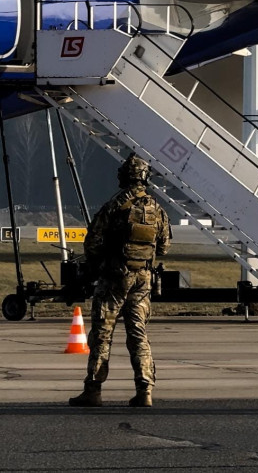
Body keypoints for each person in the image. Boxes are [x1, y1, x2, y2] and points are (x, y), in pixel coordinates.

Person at [69, 154, 170, 408]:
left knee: (103, 334)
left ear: (124, 176)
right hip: (143, 280)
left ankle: (93, 389)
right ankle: (145, 390)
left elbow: (92, 241)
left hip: (115, 278)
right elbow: (165, 246)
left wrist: (99, 263)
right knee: (138, 333)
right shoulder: (156, 208)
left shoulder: (116, 205)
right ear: (145, 177)